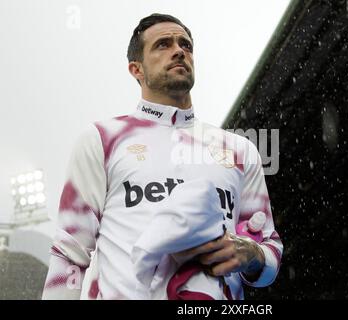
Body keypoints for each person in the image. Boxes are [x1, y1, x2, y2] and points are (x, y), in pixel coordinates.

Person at [42, 13, 283, 300]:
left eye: (185, 45)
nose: (179, 50)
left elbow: (269, 252)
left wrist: (253, 254)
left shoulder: (240, 150)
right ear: (136, 69)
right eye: (163, 45)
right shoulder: (102, 139)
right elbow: (69, 253)